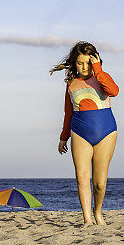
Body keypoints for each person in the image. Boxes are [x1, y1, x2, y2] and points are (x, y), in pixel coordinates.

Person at [49, 41, 119, 227]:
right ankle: (87, 219)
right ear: (74, 63)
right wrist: (64, 137)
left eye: (88, 63)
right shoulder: (71, 84)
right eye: (80, 63)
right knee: (81, 178)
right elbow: (68, 112)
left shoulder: (103, 78)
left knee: (100, 183)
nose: (84, 67)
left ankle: (98, 213)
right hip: (80, 132)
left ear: (95, 61)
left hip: (107, 133)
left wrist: (98, 69)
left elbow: (114, 91)